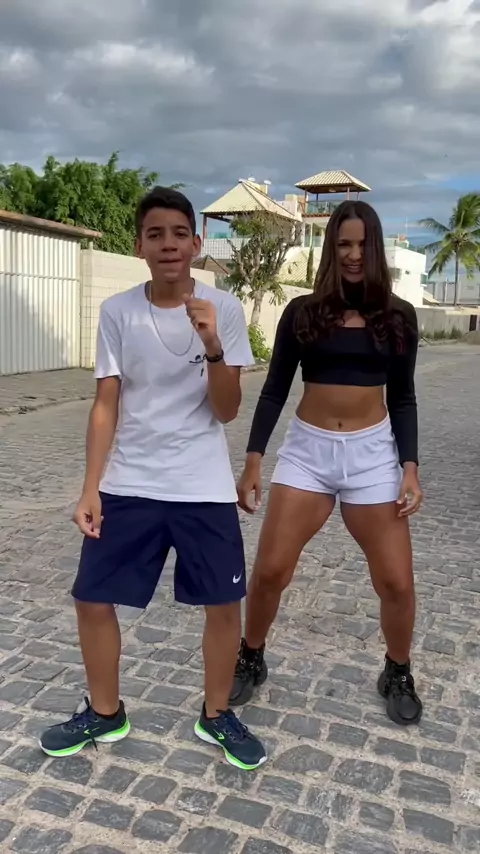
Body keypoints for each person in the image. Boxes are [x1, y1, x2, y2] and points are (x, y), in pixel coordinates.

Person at [40, 186, 266, 771]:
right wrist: (90, 487)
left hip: (201, 486)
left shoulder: (224, 309)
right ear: (139, 245)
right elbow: (105, 404)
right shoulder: (118, 311)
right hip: (130, 481)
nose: (169, 244)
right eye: (155, 234)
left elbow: (226, 410)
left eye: (179, 234)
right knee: (92, 598)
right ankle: (105, 711)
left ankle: (216, 713)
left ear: (197, 242)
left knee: (224, 604)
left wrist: (212, 345)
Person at [230, 200, 424, 727]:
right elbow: (274, 388)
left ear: (375, 248)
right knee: (270, 570)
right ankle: (251, 654)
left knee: (396, 582)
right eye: (343, 244)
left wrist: (409, 467)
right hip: (308, 453)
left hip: (372, 456)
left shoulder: (399, 317)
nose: (353, 254)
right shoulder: (303, 312)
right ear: (331, 249)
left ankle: (398, 670)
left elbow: (403, 397)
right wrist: (253, 460)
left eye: (362, 244)